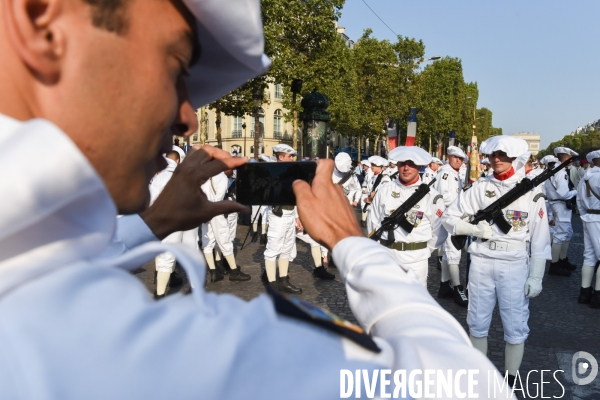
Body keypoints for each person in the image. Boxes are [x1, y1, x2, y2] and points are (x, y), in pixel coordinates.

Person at [0, 0, 510, 398]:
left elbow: (44, 270)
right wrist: (355, 245)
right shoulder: (147, 347)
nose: (188, 117)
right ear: (41, 20)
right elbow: (461, 386)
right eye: (177, 64)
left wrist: (150, 224)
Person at [442, 135, 551, 388]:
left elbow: (541, 239)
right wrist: (472, 230)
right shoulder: (480, 187)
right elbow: (449, 217)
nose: (497, 160)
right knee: (477, 323)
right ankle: (480, 379)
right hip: (481, 263)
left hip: (513, 265)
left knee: (514, 325)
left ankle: (509, 380)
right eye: (493, 155)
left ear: (515, 158)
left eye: (503, 155)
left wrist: (536, 275)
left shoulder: (532, 192)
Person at [367, 147, 447, 286]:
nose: (406, 168)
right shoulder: (385, 191)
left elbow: (439, 232)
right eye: (402, 163)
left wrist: (422, 250)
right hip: (388, 257)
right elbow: (372, 222)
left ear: (419, 166)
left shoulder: (431, 197)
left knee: (415, 306)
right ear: (397, 165)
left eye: (411, 164)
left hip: (416, 261)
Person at [263, 144, 304, 294]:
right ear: (280, 157)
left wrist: (297, 215)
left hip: (290, 213)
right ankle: (272, 285)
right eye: (289, 156)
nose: (292, 158)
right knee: (273, 249)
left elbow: (296, 196)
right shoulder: (272, 172)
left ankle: (283, 280)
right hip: (277, 215)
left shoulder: (291, 172)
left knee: (286, 249)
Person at [434, 146, 469, 307]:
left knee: (449, 254)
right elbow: (443, 196)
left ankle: (444, 285)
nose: (458, 161)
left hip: (454, 216)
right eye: (455, 157)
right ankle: (457, 288)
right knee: (454, 252)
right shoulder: (445, 173)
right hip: (449, 217)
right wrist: (463, 199)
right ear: (448, 157)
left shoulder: (454, 174)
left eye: (460, 159)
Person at [201, 171, 251, 282]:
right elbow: (218, 200)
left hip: (204, 211)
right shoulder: (222, 177)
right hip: (216, 213)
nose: (232, 172)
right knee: (225, 241)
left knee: (207, 243)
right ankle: (234, 272)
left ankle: (213, 272)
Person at [149, 149, 185, 297]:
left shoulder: (159, 176)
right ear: (177, 161)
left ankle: (161, 287)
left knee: (162, 253)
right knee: (168, 256)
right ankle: (160, 294)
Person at [544, 146, 578, 275]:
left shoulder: (553, 170)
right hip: (560, 204)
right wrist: (576, 191)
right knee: (560, 235)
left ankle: (562, 259)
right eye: (571, 159)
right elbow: (564, 193)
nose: (572, 161)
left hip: (557, 204)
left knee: (567, 232)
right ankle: (554, 265)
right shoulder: (561, 172)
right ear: (567, 158)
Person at [576, 150, 600, 308]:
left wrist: (585, 215)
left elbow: (579, 200)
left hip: (588, 217)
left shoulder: (584, 178)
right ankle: (598, 296)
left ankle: (584, 293)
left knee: (589, 257)